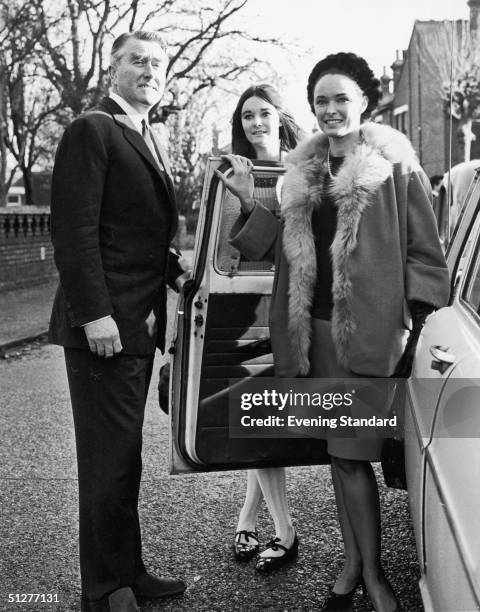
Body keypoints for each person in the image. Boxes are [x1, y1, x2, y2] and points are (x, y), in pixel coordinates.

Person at [218, 53, 450, 611]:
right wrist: (252, 203)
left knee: (354, 456)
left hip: (367, 335)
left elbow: (425, 257)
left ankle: (371, 575)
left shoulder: (393, 166)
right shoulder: (302, 172)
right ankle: (352, 566)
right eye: (321, 101)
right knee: (339, 456)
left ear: (365, 101)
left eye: (341, 98)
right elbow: (280, 253)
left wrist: (411, 331)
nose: (330, 110)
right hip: (312, 333)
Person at [49, 30, 189, 612]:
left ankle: (129, 571)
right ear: (113, 71)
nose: (149, 70)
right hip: (104, 330)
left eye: (158, 62)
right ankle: (103, 591)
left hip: (135, 326)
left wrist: (186, 273)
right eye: (137, 60)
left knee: (123, 457)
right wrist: (97, 315)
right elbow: (74, 231)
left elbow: (139, 234)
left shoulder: (145, 133)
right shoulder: (94, 128)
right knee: (106, 462)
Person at [215, 84, 302, 572]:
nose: (255, 123)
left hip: (293, 309)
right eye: (246, 116)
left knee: (266, 422)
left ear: (280, 117)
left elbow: (295, 248)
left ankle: (268, 527)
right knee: (259, 422)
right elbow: (230, 251)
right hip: (245, 309)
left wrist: (253, 204)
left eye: (264, 113)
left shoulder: (305, 169)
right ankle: (272, 527)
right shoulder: (231, 172)